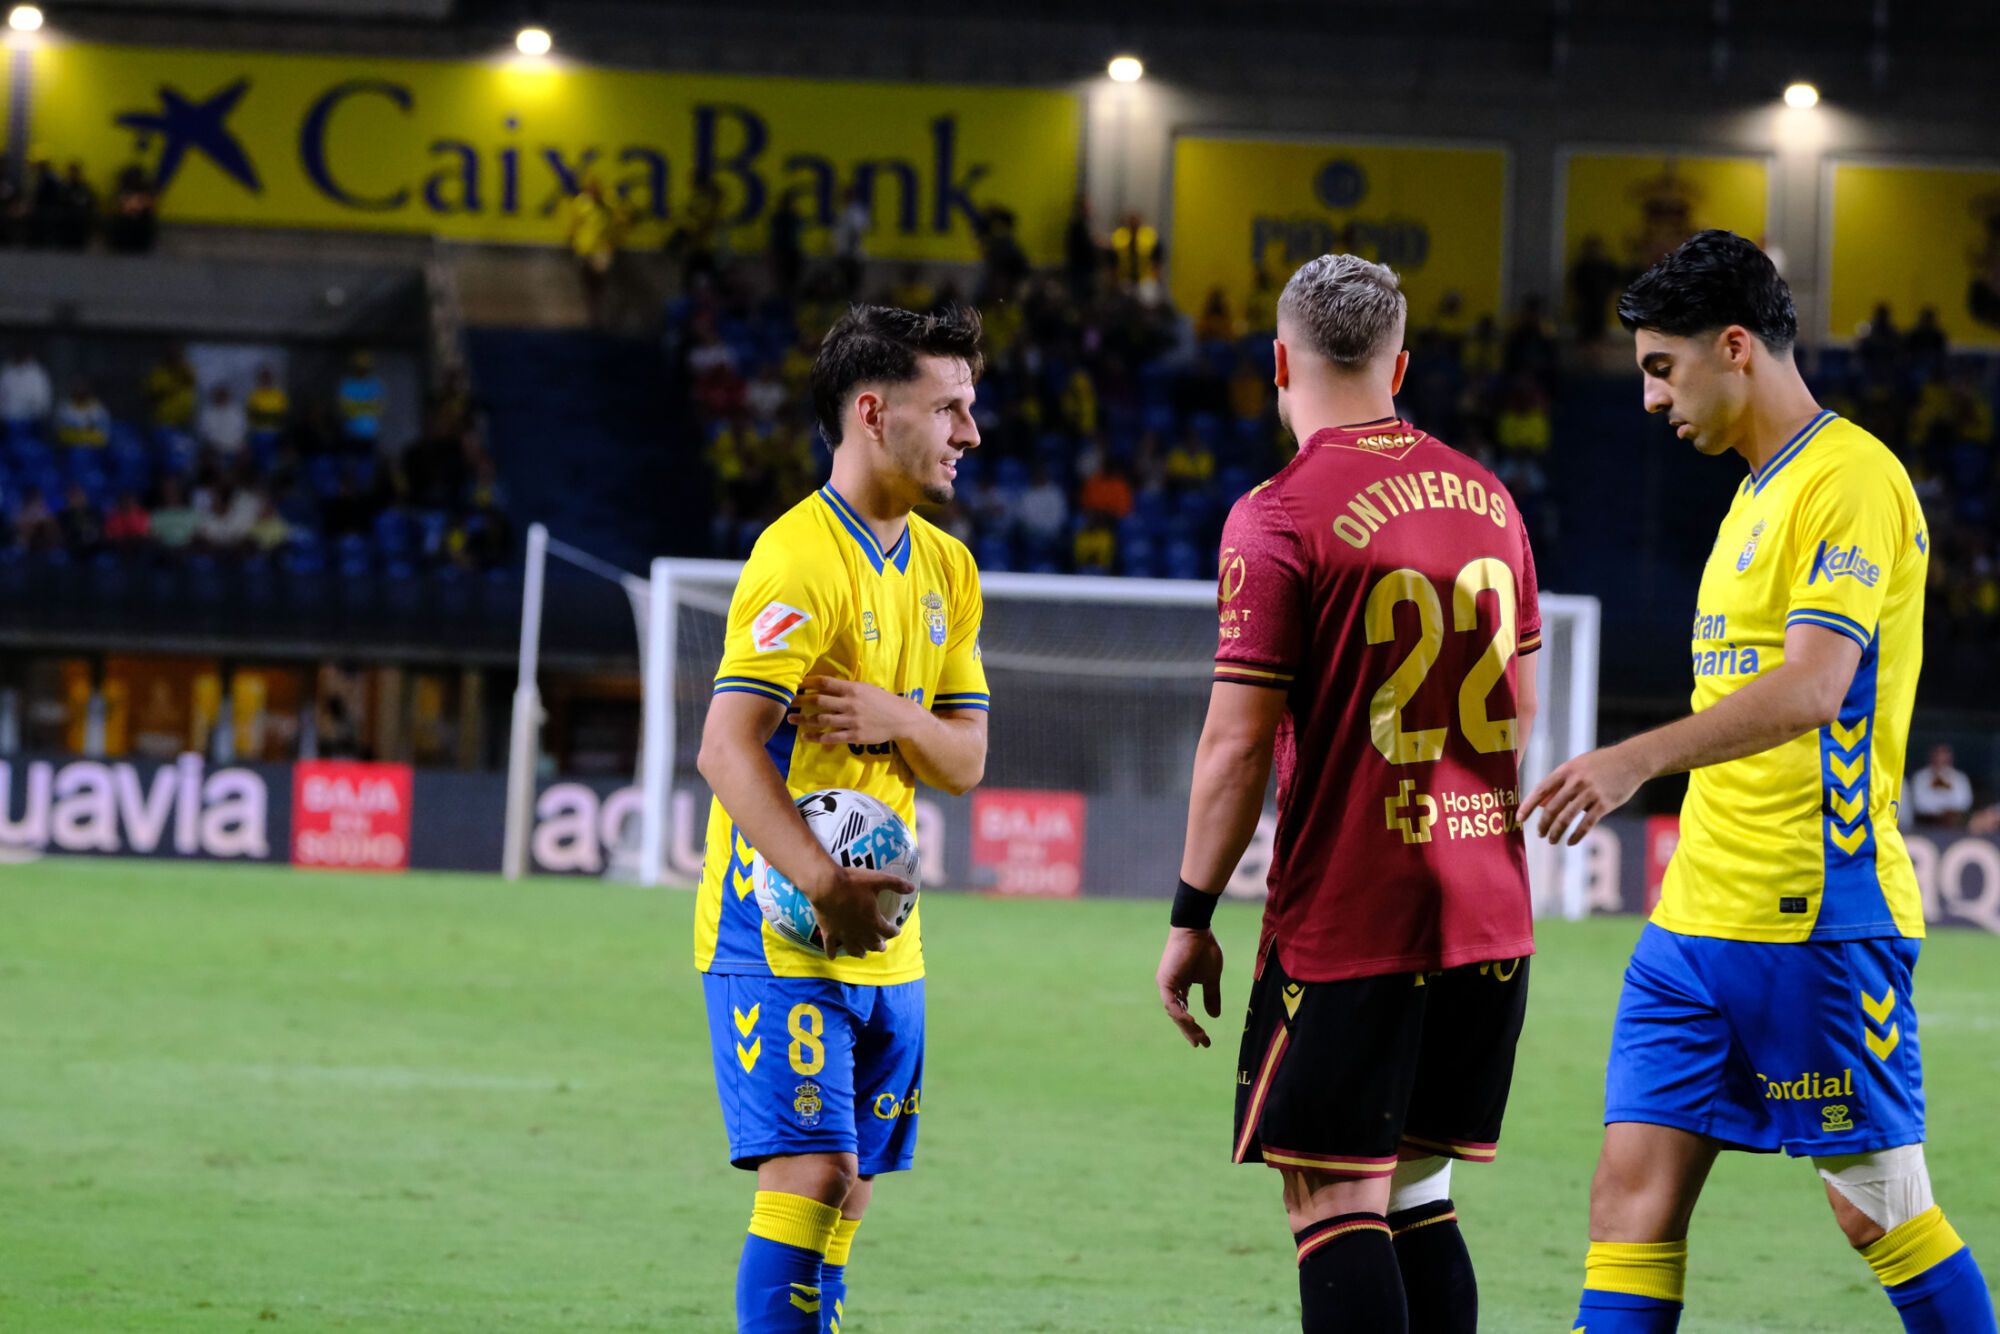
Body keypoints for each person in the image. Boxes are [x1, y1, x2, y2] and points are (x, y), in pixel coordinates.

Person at [1519, 230, 1996, 1334]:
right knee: (1625, 1203)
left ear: (1732, 346)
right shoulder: (1747, 497)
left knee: (1880, 1211)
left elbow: (1811, 687)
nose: (1648, 397)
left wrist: (1632, 756)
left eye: (1658, 366)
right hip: (1692, 921)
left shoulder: (1852, 480)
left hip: (1815, 917)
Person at [1156, 253, 1542, 1334]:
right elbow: (1523, 704)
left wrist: (1190, 914)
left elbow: (1234, 750)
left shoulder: (1278, 513)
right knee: (1417, 1189)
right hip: (1484, 914)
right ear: (1399, 362)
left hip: (1351, 919)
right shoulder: (1491, 498)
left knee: (1331, 1196)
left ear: (1276, 360)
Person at [694, 305, 990, 1333]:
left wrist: (894, 715)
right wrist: (823, 884)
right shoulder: (795, 559)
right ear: (873, 411)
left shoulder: (947, 572)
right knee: (813, 1172)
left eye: (970, 406)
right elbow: (724, 747)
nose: (969, 432)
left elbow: (964, 759)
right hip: (780, 925)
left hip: (886, 938)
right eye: (948, 407)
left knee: (847, 1189)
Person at [1906, 743, 1974, 829]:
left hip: (1955, 824)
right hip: (1926, 824)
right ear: (1931, 759)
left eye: (1944, 760)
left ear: (1950, 760)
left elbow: (1964, 803)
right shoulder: (1920, 777)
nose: (1940, 763)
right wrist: (1939, 813)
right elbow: (1919, 804)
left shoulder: (1959, 777)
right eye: (1937, 759)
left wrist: (1948, 811)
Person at [0, 346, 53, 430]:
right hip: (7, 421)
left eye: (22, 354)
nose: (20, 357)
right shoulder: (6, 371)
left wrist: (36, 415)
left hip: (31, 421)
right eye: (17, 354)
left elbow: (42, 402)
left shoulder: (37, 373)